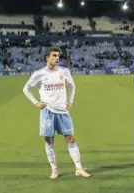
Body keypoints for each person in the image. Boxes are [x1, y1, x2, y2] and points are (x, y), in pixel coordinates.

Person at [22, 47, 91, 179]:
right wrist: (36, 102)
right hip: (47, 111)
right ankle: (54, 169)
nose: (57, 58)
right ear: (47, 58)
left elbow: (72, 85)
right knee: (49, 140)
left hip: (63, 111)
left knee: (71, 138)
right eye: (54, 55)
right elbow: (26, 89)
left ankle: (79, 168)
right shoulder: (39, 73)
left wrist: (70, 102)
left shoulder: (64, 71)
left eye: (58, 56)